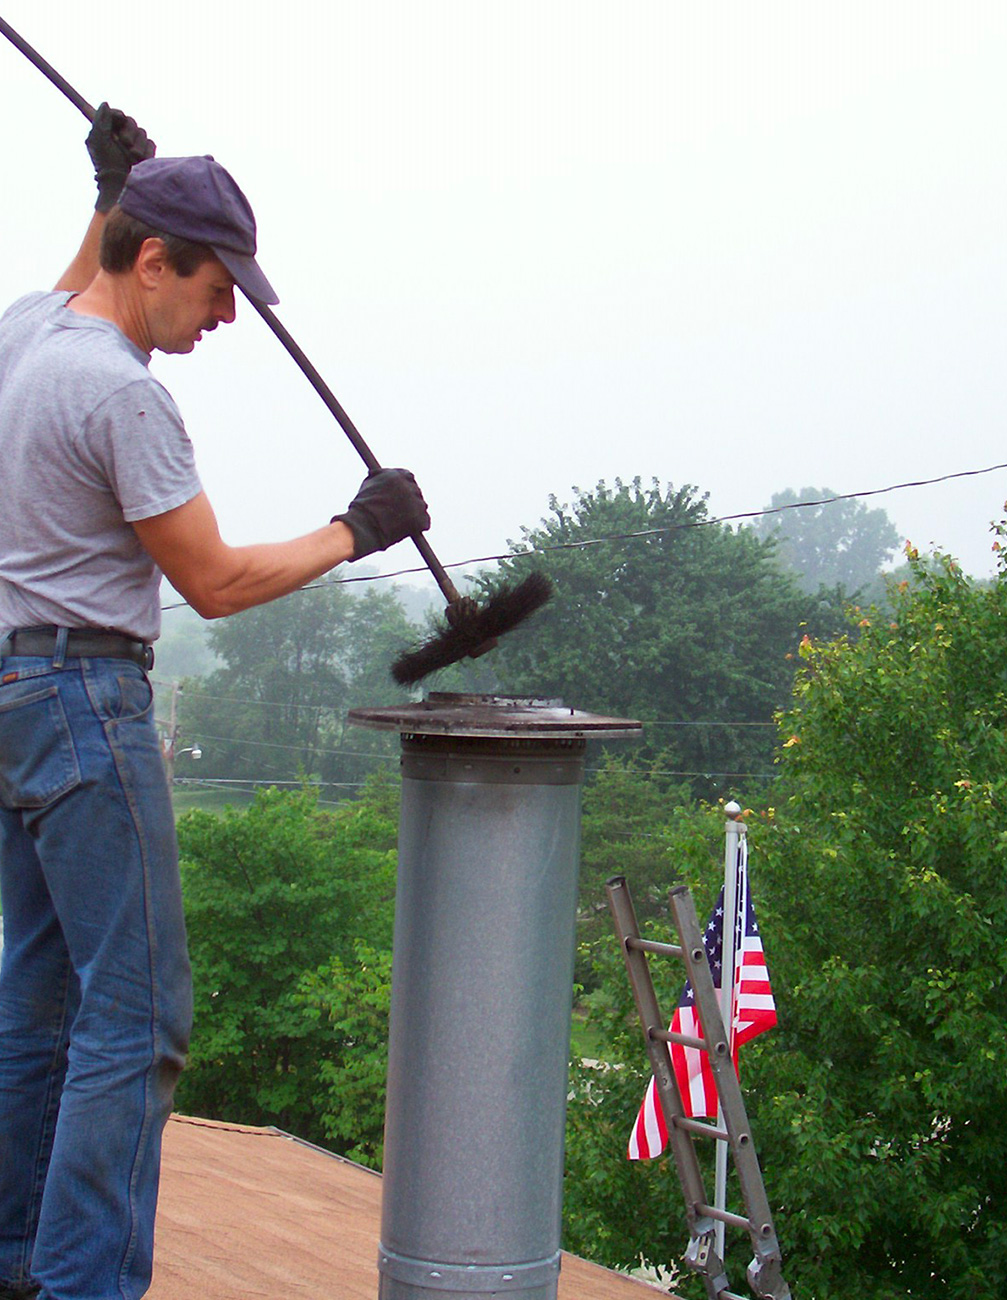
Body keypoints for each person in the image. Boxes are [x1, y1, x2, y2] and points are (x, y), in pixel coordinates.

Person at [0, 106, 430, 1300]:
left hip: (10, 700)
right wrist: (358, 530)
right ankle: (84, 1283)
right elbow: (216, 580)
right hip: (85, 703)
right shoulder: (125, 397)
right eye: (214, 283)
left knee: (37, 993)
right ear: (154, 262)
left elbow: (80, 264)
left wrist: (108, 188)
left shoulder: (28, 336)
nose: (228, 311)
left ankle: (15, 1261)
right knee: (138, 1017)